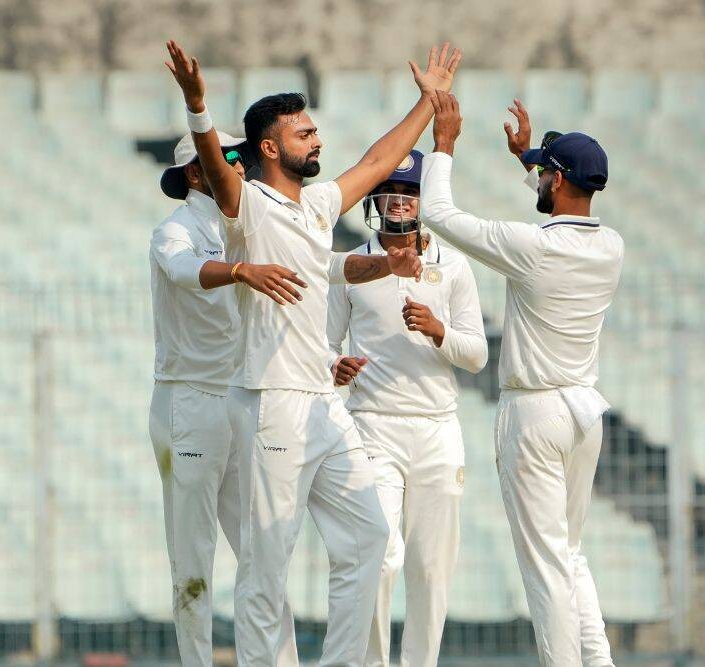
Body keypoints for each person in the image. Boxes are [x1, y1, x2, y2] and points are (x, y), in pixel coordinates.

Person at [164, 39, 460, 666]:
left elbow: (379, 160)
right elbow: (216, 165)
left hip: (323, 404)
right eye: (303, 133)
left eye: (315, 130)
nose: (316, 140)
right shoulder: (248, 205)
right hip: (271, 404)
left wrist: (428, 102)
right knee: (266, 564)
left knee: (370, 539)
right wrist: (197, 106)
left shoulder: (319, 205)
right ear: (270, 149)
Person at [420, 91, 622, 666]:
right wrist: (529, 160)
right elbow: (559, 207)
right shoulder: (611, 246)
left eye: (545, 172)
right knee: (569, 554)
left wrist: (444, 145)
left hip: (534, 415)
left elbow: (438, 214)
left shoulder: (532, 247)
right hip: (584, 412)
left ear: (556, 180)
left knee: (545, 565)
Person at [325, 152, 487, 666]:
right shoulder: (353, 265)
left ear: (424, 199)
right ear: (375, 199)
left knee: (432, 569)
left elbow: (477, 355)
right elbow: (324, 345)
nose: (398, 201)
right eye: (390, 191)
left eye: (410, 192)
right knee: (378, 557)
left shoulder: (453, 265)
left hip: (438, 428)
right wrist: (335, 366)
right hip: (373, 426)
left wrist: (439, 331)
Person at [150, 131, 307, 665]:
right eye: (228, 157)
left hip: (240, 400)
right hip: (188, 404)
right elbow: (182, 270)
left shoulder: (247, 225)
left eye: (240, 157)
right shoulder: (174, 229)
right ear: (196, 172)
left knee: (263, 555)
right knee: (192, 564)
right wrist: (239, 270)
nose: (239, 166)